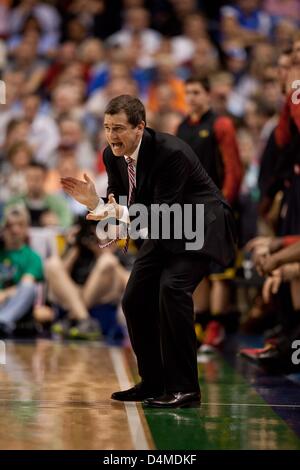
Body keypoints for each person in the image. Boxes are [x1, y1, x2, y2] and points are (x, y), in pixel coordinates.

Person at [61, 94, 237, 408]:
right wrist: (108, 214)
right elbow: (122, 202)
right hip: (165, 229)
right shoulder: (111, 155)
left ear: (140, 127)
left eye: (118, 129)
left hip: (199, 226)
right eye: (107, 128)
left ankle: (185, 389)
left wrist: (97, 205)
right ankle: (153, 382)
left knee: (172, 290)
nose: (112, 136)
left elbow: (161, 213)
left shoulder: (171, 153)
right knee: (134, 299)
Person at [0, 206, 43, 337]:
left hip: (15, 304)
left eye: (20, 225)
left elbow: (26, 286)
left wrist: (4, 294)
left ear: (26, 228)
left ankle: (3, 321)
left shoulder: (33, 257)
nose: (15, 230)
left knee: (29, 288)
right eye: (10, 225)